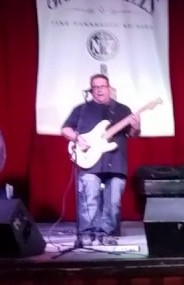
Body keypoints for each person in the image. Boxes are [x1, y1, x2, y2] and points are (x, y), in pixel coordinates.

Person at [60, 74, 140, 245]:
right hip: (89, 162)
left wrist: (136, 126)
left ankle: (106, 234)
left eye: (102, 86)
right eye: (95, 87)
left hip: (116, 161)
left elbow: (132, 134)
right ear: (91, 90)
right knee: (88, 200)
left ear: (109, 88)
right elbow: (65, 129)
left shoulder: (122, 110)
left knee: (113, 202)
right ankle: (86, 234)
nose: (99, 90)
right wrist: (77, 138)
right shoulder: (82, 110)